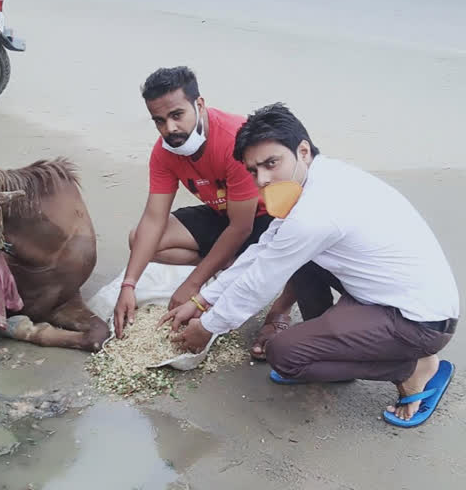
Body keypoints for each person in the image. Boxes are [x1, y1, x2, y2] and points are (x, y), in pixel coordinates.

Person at [161, 102, 459, 427]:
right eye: (253, 170)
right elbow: (264, 250)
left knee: (284, 355)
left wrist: (207, 327)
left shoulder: (317, 212)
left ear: (302, 150)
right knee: (295, 259)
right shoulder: (318, 176)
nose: (262, 179)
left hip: (420, 322)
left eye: (272, 163)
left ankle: (413, 369)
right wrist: (201, 300)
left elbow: (261, 280)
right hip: (387, 294)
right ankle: (334, 345)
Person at [113, 66, 274, 338]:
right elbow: (154, 218)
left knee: (268, 263)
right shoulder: (164, 152)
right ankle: (227, 265)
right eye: (159, 121)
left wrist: (192, 284)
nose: (170, 128)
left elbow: (241, 227)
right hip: (221, 212)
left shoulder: (236, 141)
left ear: (199, 104)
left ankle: (270, 306)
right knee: (139, 238)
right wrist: (128, 286)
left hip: (265, 218)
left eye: (177, 115)